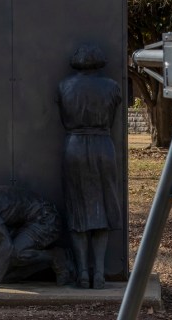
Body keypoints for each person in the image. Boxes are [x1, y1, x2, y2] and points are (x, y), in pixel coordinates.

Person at [57, 43, 122, 289]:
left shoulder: (64, 87)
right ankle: (100, 273)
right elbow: (113, 120)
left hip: (73, 146)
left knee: (78, 210)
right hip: (103, 145)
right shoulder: (112, 87)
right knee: (104, 207)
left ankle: (83, 272)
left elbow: (63, 120)